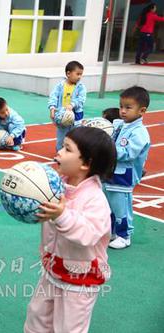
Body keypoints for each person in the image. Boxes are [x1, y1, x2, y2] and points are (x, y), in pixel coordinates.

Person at [24, 126, 117, 333]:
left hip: (80, 281)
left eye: (67, 149)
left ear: (86, 163)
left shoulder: (95, 199)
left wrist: (61, 215)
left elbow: (88, 234)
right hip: (51, 270)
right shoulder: (56, 186)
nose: (59, 151)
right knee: (36, 319)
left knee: (68, 328)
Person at [104, 86, 151, 249]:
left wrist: (106, 147)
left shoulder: (139, 132)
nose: (123, 111)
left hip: (124, 177)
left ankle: (125, 235)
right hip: (110, 174)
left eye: (128, 107)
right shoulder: (121, 125)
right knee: (108, 205)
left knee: (121, 207)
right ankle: (111, 232)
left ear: (142, 111)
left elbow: (129, 153)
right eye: (121, 106)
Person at [48, 61, 86, 151]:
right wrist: (52, 108)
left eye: (81, 74)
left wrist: (72, 105)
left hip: (76, 116)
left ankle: (76, 154)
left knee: (76, 137)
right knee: (62, 137)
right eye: (78, 74)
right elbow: (53, 96)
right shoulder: (60, 86)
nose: (79, 77)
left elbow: (81, 100)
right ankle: (60, 152)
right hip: (62, 116)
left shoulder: (81, 87)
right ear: (68, 73)